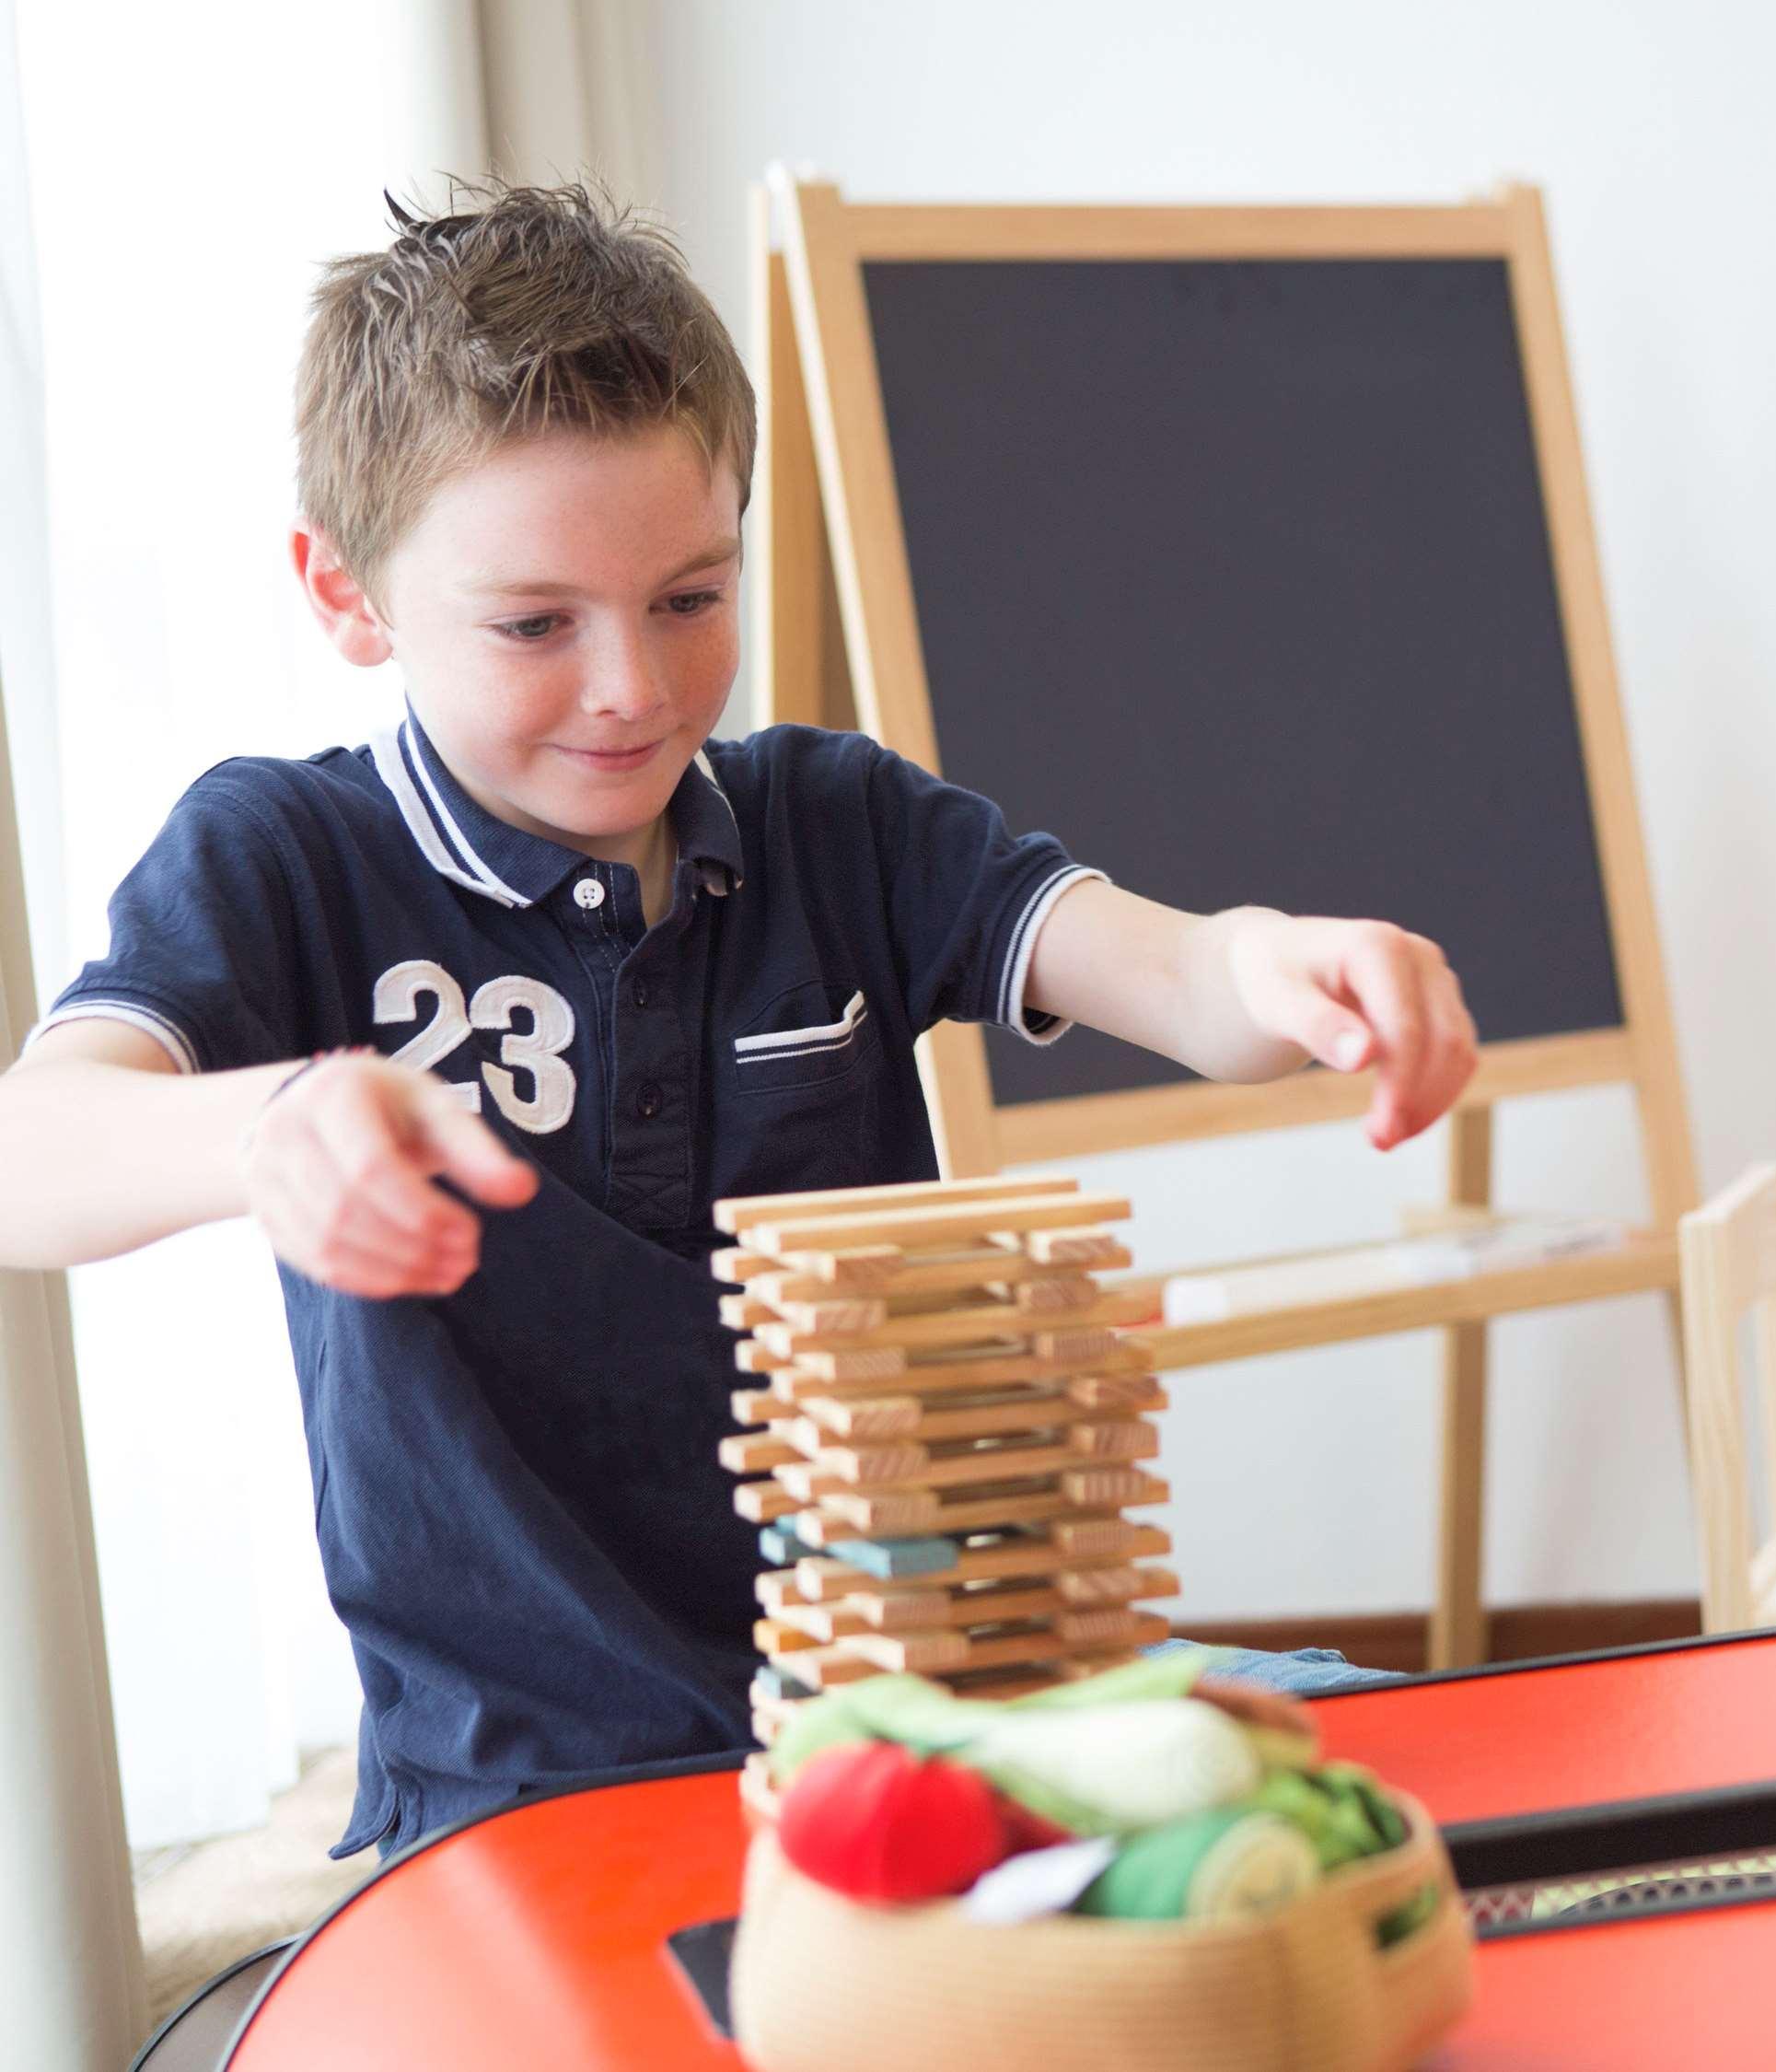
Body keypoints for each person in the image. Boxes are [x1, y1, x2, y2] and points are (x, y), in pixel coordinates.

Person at [0, 182, 1472, 1858]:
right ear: (346, 596)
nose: (632, 683)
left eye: (692, 597)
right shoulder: (283, 854)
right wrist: (265, 1131)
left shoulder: (840, 819)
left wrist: (1280, 962)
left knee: (1386, 1789)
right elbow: (29, 1150)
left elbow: (1184, 979)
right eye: (536, 624)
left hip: (931, 1707)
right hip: (525, 1781)